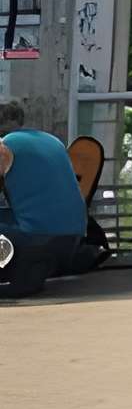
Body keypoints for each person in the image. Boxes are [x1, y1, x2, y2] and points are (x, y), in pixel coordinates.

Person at [0, 102, 87, 296]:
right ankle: (30, 272)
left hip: (34, 241)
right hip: (71, 243)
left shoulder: (4, 147)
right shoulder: (52, 141)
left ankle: (21, 270)